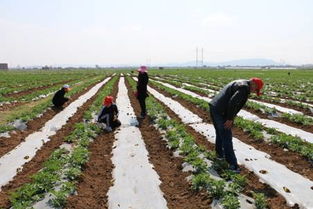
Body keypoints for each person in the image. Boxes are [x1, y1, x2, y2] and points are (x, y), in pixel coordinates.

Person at [209, 77, 264, 173]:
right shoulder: (244, 88)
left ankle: (219, 155)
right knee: (226, 136)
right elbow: (233, 102)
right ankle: (233, 165)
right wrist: (229, 118)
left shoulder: (240, 82)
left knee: (220, 132)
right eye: (256, 89)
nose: (254, 91)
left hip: (215, 107)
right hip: (221, 111)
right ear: (253, 84)